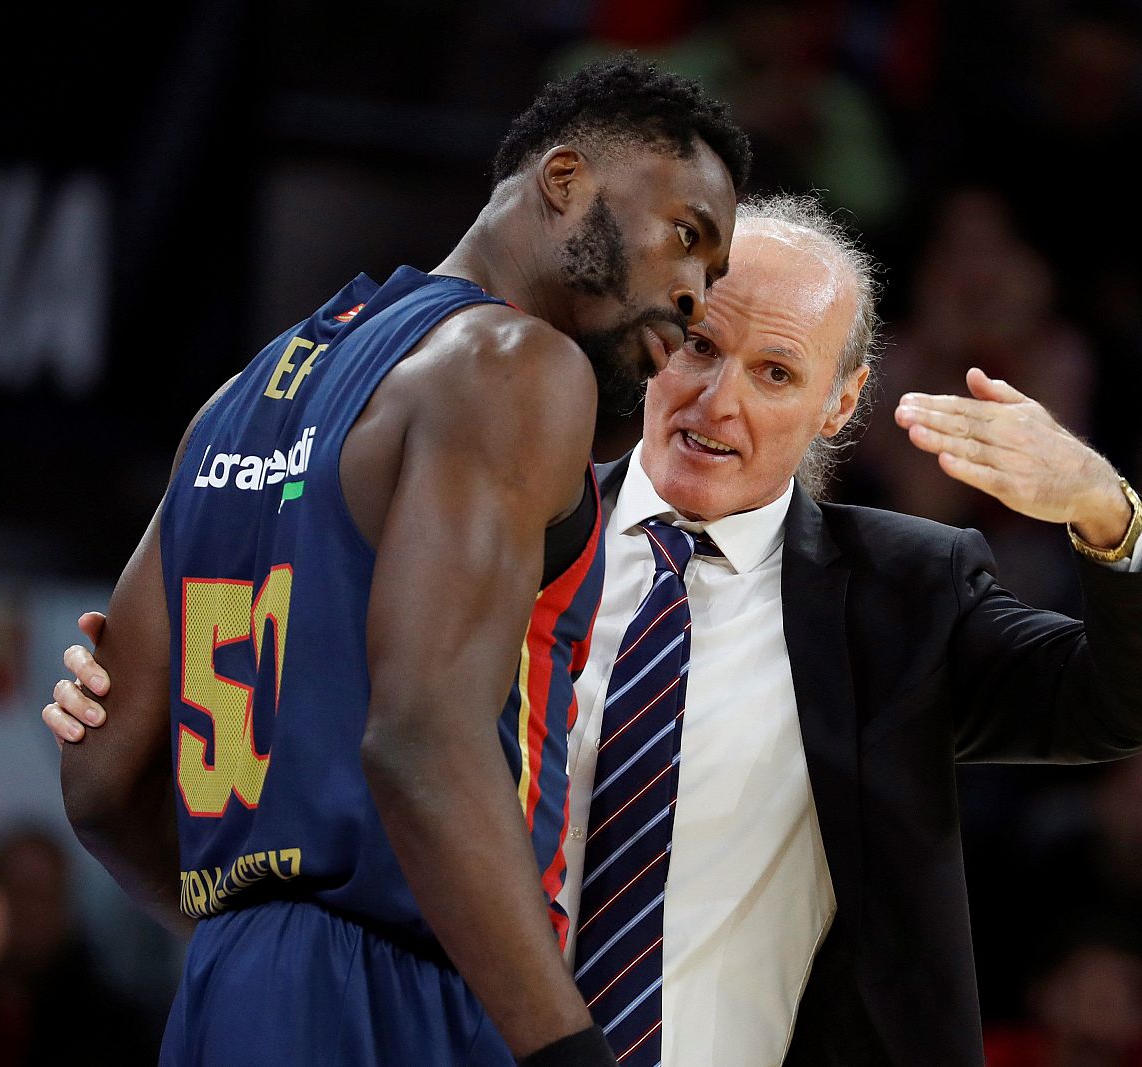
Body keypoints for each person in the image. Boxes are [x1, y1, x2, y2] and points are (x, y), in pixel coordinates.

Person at [48, 195, 1142, 1065]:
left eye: (776, 370)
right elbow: (272, 735)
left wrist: (1107, 512)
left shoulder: (901, 597)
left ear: (839, 404)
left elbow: (1134, 699)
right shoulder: (489, 528)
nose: (720, 401)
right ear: (657, 339)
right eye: (702, 345)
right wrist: (123, 697)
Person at [51, 55, 750, 1067]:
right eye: (686, 235)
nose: (693, 294)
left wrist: (252, 950)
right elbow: (423, 736)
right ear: (564, 182)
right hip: (406, 983)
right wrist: (564, 1052)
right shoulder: (515, 365)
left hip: (223, 997)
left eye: (712, 274)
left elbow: (102, 773)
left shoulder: (238, 398)